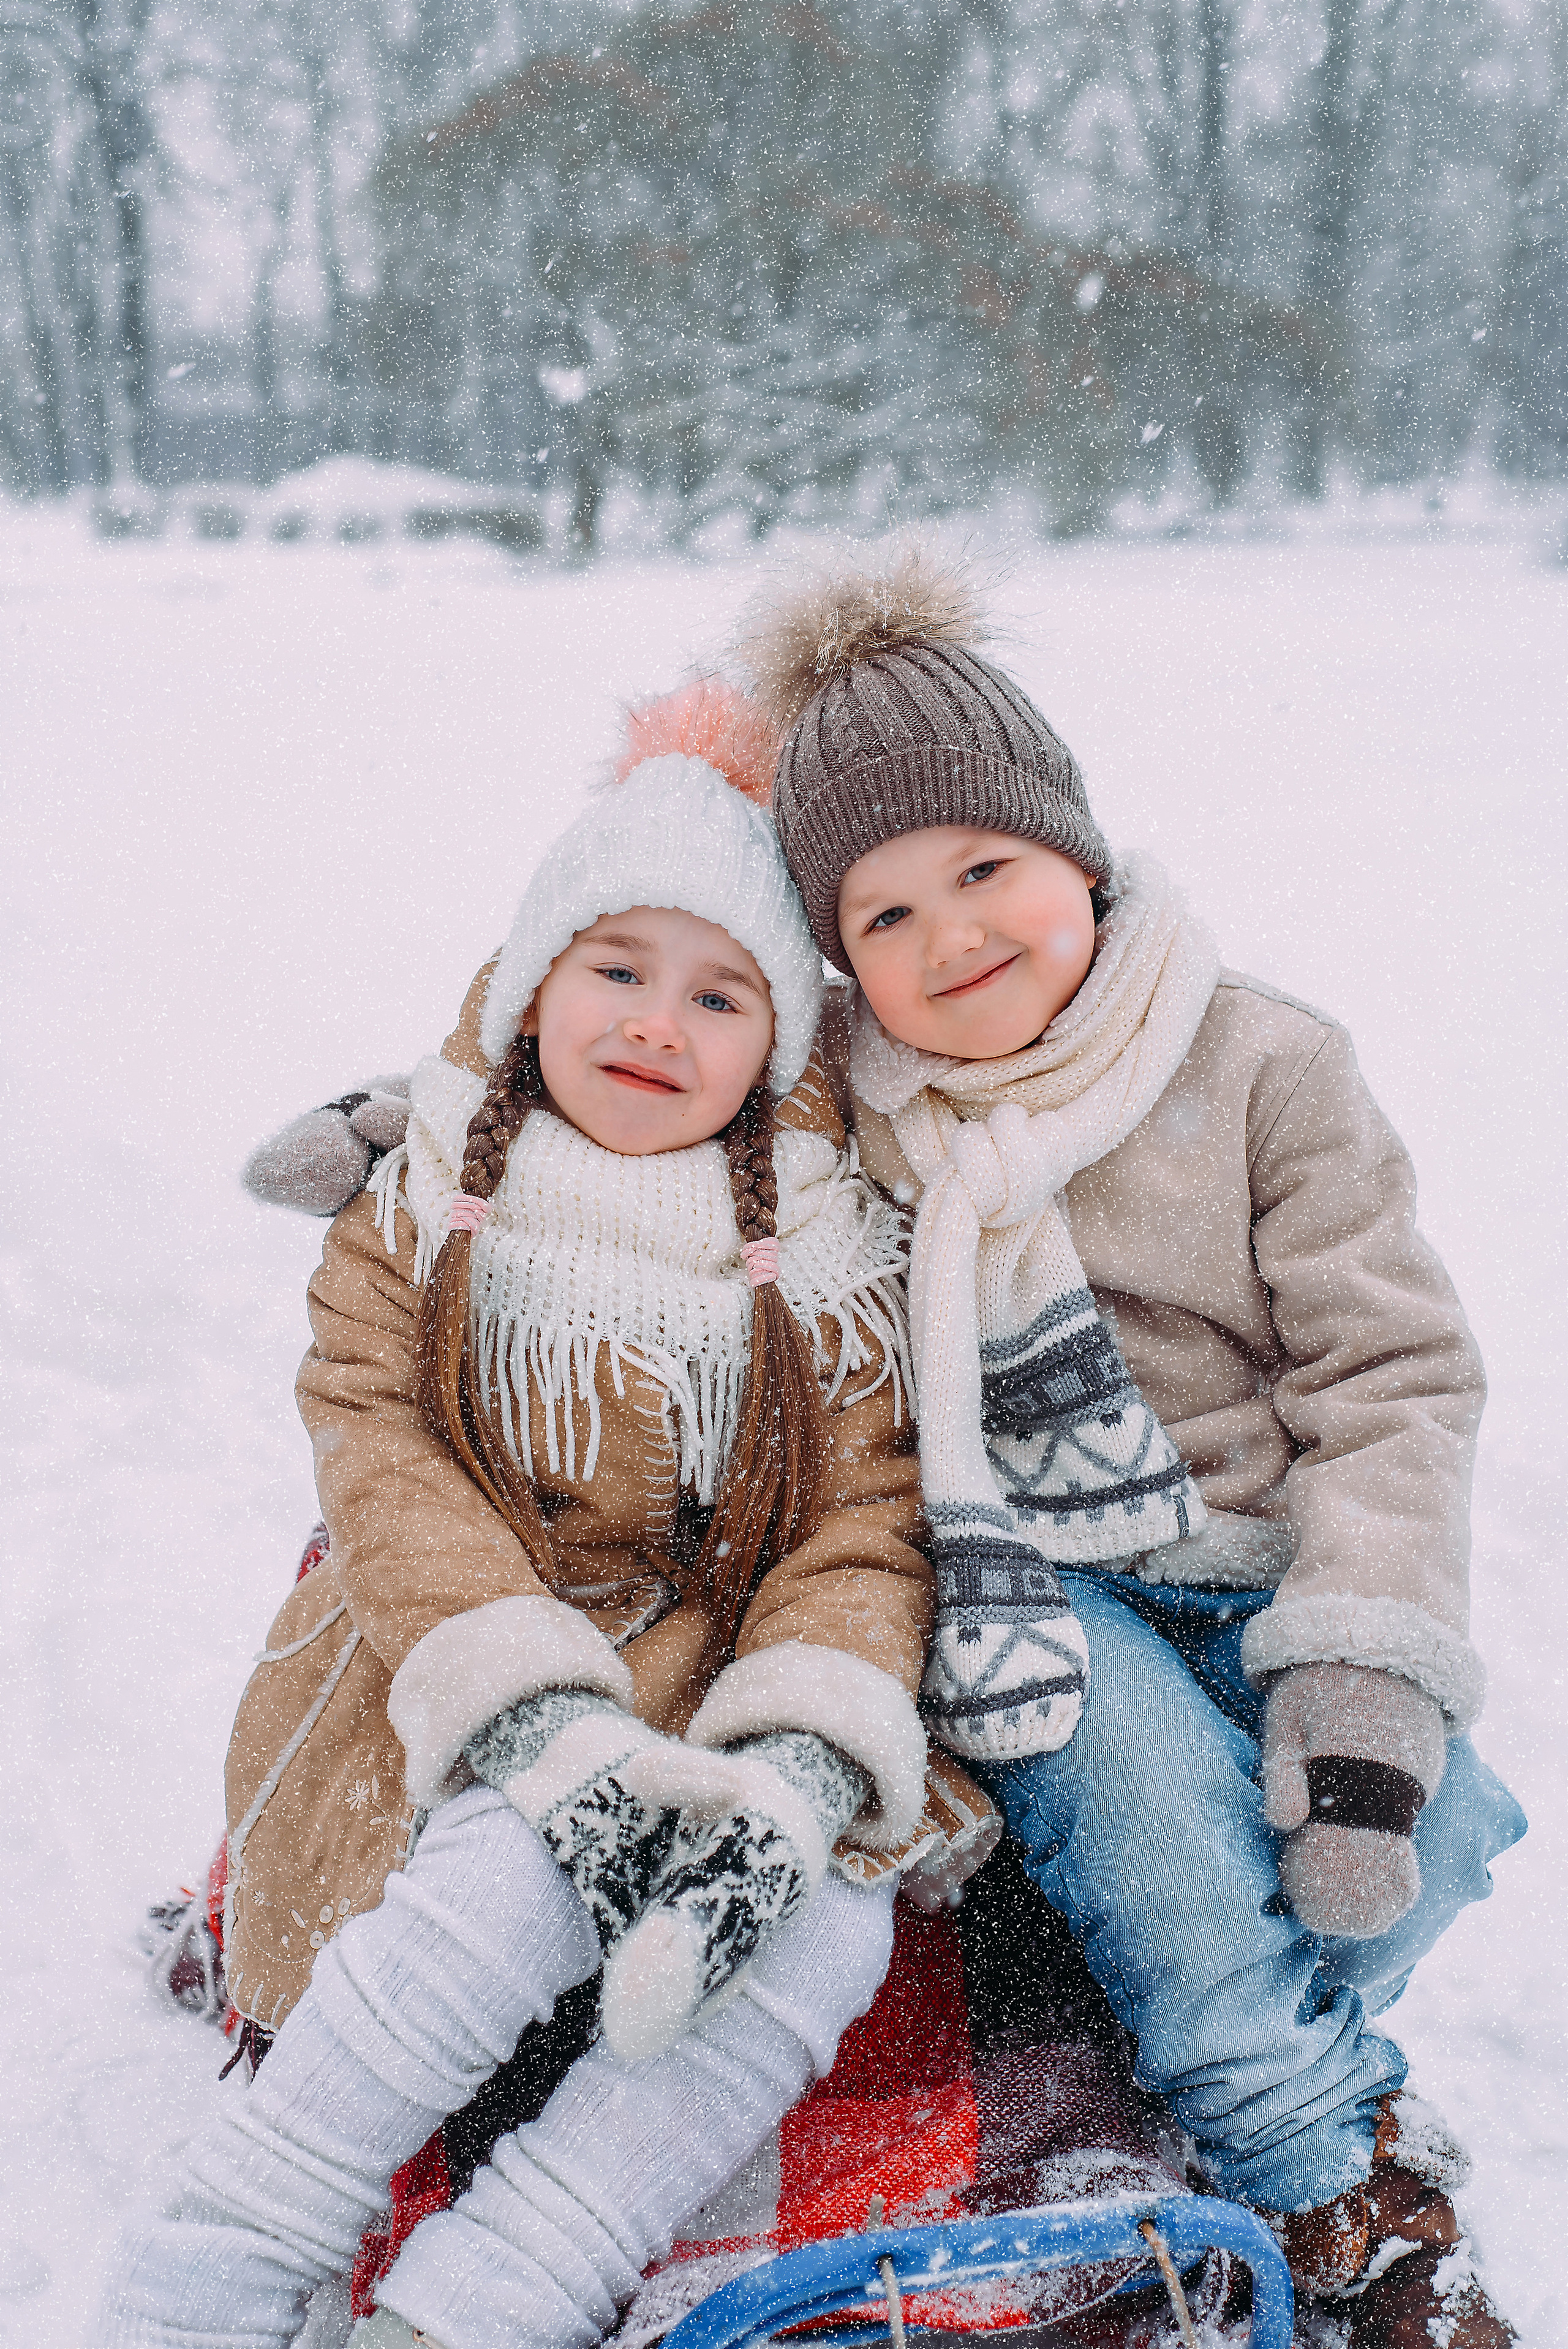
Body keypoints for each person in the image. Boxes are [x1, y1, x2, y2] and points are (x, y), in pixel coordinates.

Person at [105, 680, 996, 2349]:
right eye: (616, 968)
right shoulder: (434, 1200)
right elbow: (381, 1455)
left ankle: (513, 2276)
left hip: (731, 1672)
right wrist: (536, 1722)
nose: (659, 1022)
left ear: (780, 1040)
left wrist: (802, 1761)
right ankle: (236, 2232)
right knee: (509, 1877)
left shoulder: (822, 1250)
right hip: (459, 1652)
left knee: (823, 1922)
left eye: (719, 991)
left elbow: (865, 1521)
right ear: (532, 993)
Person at [743, 547, 1525, 2349]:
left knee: (1438, 1833)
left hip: (1266, 1582)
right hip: (1041, 1596)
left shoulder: (1259, 1064)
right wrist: (447, 1134)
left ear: (1075, 852)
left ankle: (1189, 2030)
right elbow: (653, 1114)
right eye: (882, 917)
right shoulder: (856, 1121)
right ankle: (1348, 2184)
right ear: (841, 964)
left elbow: (1394, 1375)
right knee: (1161, 1815)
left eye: (986, 872)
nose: (952, 939)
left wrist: (1357, 1680)